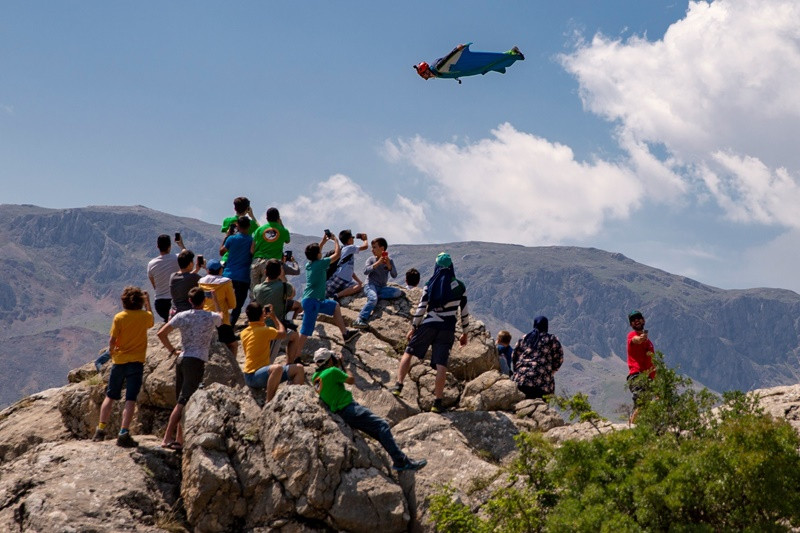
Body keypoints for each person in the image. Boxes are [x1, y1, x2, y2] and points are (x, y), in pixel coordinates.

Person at [312, 348, 426, 471]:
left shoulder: (316, 377)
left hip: (340, 413)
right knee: (382, 425)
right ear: (330, 360)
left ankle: (399, 459)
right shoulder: (332, 371)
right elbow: (351, 380)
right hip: (349, 408)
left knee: (377, 432)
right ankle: (401, 462)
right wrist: (342, 364)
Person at [390, 253, 468, 413]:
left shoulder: (430, 284)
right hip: (447, 328)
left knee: (409, 351)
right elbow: (464, 313)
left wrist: (413, 327)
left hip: (430, 323)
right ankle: (437, 402)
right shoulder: (460, 286)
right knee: (441, 365)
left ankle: (398, 385)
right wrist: (465, 333)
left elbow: (421, 307)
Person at [157, 287, 222, 451]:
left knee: (182, 400)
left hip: (182, 358)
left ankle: (179, 439)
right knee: (182, 402)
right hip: (196, 361)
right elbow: (222, 317)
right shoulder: (210, 317)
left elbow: (161, 334)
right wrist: (215, 299)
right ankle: (167, 438)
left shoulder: (182, 316)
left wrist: (172, 351)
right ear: (204, 300)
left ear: (190, 301)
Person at [92, 287, 154, 447]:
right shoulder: (144, 316)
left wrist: (112, 353)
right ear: (140, 300)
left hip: (119, 362)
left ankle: (100, 429)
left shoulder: (119, 317)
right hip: (136, 362)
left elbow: (112, 340)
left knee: (110, 396)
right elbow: (151, 321)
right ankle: (123, 432)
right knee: (130, 399)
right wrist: (148, 303)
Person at [298, 235, 361, 353]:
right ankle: (295, 356)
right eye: (319, 252)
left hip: (316, 300)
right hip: (312, 301)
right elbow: (337, 254)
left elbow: (315, 253)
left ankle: (345, 334)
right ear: (318, 255)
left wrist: (322, 242)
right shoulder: (321, 264)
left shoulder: (310, 264)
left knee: (335, 306)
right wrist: (335, 240)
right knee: (305, 331)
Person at [240, 302, 305, 401]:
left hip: (257, 374)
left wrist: (261, 319)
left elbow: (258, 330)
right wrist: (274, 317)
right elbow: (282, 333)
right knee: (277, 368)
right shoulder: (265, 330)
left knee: (299, 368)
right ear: (261, 315)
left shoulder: (244, 332)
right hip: (253, 376)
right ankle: (269, 402)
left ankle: (292, 400)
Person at [252, 259, 302, 363]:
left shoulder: (257, 289)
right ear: (280, 272)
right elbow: (292, 294)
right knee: (267, 362)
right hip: (275, 329)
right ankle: (289, 364)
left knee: (293, 335)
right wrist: (283, 277)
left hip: (260, 326)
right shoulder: (284, 287)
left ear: (265, 272)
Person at [352, 238, 402, 329]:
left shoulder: (389, 260)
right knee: (373, 299)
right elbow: (365, 271)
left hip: (382, 287)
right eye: (372, 247)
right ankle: (360, 319)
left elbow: (394, 275)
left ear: (382, 248)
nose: (372, 250)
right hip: (370, 285)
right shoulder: (371, 259)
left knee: (398, 292)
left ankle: (375, 296)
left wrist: (389, 266)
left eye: (374, 247)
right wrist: (378, 263)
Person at [511, 317, 563, 399]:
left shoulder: (525, 338)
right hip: (542, 383)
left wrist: (518, 369)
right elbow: (559, 358)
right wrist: (551, 370)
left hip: (521, 380)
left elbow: (514, 356)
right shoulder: (551, 339)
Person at [199, 259, 238, 356]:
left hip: (205, 317)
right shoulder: (226, 282)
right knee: (233, 345)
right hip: (222, 319)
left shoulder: (201, 282)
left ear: (208, 270)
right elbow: (233, 304)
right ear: (220, 270)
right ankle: (233, 369)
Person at [220, 216, 253, 326]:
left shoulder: (231, 239)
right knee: (237, 305)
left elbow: (221, 252)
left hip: (228, 275)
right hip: (243, 277)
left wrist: (227, 236)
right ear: (249, 226)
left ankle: (221, 325)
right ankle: (230, 327)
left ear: (237, 226)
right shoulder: (251, 240)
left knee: (223, 303)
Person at [250, 207, 293, 290]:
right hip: (270, 266)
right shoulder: (283, 230)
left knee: (254, 292)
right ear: (278, 218)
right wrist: (281, 224)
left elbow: (252, 249)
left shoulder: (259, 230)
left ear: (266, 218)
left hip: (256, 262)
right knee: (266, 292)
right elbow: (287, 240)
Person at [147, 234, 186, 322]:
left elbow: (155, 286)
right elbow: (187, 256)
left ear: (157, 246)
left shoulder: (151, 264)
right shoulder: (177, 258)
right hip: (175, 302)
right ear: (170, 246)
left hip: (160, 305)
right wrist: (181, 245)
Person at [626, 310, 656, 422]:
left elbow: (651, 362)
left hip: (649, 379)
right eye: (633, 320)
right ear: (631, 324)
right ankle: (631, 426)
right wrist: (641, 338)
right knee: (641, 404)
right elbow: (635, 340)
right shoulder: (632, 335)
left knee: (648, 407)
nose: (636, 321)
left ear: (643, 320)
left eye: (638, 318)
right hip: (637, 375)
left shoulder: (649, 342)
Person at [326, 230, 368, 301]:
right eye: (352, 238)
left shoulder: (347, 251)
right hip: (339, 277)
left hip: (345, 279)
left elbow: (350, 270)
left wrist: (359, 281)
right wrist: (365, 239)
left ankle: (337, 296)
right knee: (324, 294)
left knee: (358, 286)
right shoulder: (349, 248)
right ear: (350, 239)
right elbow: (365, 247)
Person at [220, 196, 258, 264]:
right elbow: (260, 230)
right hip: (242, 259)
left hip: (227, 257)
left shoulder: (227, 221)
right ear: (247, 209)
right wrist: (252, 216)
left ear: (234, 208)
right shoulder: (251, 223)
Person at [169, 249, 203, 316]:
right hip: (187, 313)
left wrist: (196, 270)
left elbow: (185, 277)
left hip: (174, 312)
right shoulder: (194, 278)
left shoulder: (172, 276)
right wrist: (206, 268)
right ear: (190, 263)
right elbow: (205, 282)